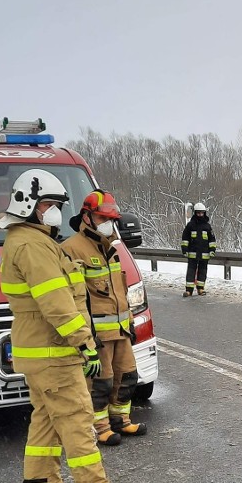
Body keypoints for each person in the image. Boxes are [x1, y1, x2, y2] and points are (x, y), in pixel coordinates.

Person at [0, 170, 134, 483]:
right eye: (49, 204)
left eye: (56, 205)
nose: (54, 211)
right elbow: (56, 303)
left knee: (46, 418)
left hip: (40, 348)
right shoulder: (31, 244)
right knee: (76, 417)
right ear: (28, 204)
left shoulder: (32, 240)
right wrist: (85, 343)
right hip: (53, 349)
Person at [62, 190, 148, 446]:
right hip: (97, 334)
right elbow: (74, 299)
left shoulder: (110, 247)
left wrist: (130, 321)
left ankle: (120, 420)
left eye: (111, 219)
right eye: (102, 218)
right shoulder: (71, 250)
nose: (108, 223)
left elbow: (119, 289)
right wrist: (84, 336)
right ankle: (100, 428)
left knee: (127, 377)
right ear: (87, 217)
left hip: (120, 330)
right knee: (101, 383)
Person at [180, 201, 217, 296]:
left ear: (204, 213)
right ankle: (189, 290)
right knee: (191, 271)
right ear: (195, 213)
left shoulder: (207, 226)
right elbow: (185, 238)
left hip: (204, 254)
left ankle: (200, 289)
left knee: (202, 271)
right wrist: (185, 249)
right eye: (198, 213)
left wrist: (212, 250)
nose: (200, 214)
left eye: (202, 213)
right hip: (192, 253)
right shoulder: (190, 225)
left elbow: (212, 240)